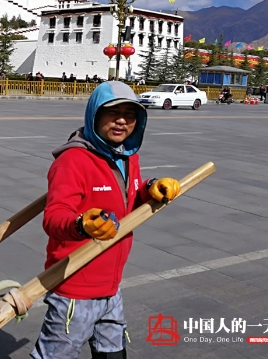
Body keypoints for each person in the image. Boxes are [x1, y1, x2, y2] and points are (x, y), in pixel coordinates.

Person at [31, 81, 181, 359]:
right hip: (74, 289)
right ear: (95, 115)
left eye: (131, 115)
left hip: (111, 288)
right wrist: (81, 225)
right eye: (113, 113)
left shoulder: (126, 156)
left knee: (113, 354)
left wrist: (151, 188)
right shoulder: (72, 161)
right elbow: (54, 217)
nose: (122, 121)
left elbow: (129, 197)